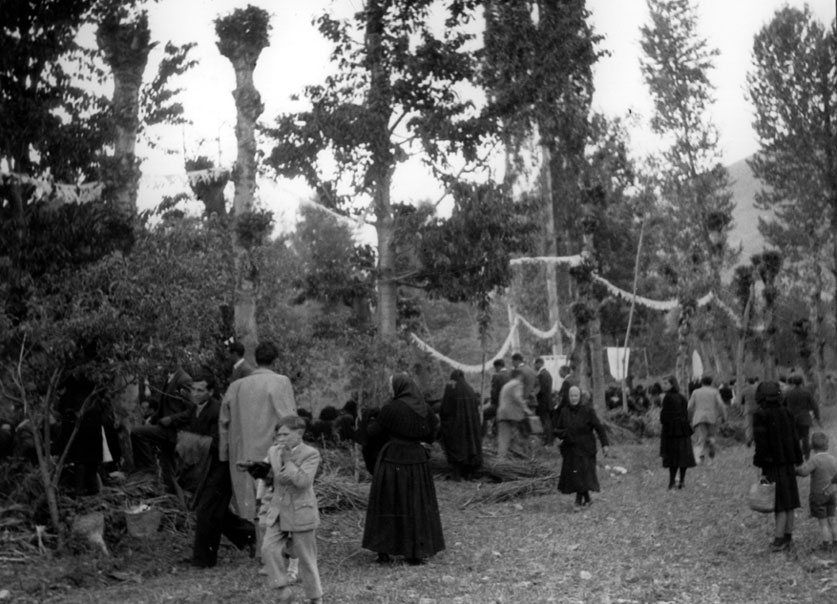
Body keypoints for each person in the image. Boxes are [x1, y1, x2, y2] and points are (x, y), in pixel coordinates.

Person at [362, 373, 444, 564]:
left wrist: (369, 418)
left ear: (398, 387)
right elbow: (432, 434)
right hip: (418, 461)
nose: (390, 390)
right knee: (416, 505)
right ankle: (415, 553)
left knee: (388, 503)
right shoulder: (425, 409)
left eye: (391, 386)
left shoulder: (391, 408)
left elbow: (373, 433)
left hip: (394, 459)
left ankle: (385, 551)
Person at [177, 370, 254, 568]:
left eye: (200, 390)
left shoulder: (218, 410)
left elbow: (219, 442)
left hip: (221, 468)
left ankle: (203, 561)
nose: (195, 393)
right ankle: (251, 537)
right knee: (218, 513)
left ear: (210, 391)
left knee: (205, 511)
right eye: (193, 389)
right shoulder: (196, 409)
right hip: (206, 469)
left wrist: (188, 440)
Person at [242, 415, 322, 603]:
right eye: (278, 435)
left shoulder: (311, 453)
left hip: (301, 512)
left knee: (306, 559)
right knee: (268, 549)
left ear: (299, 434)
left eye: (286, 434)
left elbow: (303, 482)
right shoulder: (273, 451)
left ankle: (315, 598)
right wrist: (254, 468)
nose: (281, 439)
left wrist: (289, 461)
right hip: (278, 511)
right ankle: (282, 589)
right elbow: (272, 478)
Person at [219, 342, 297, 528]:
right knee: (272, 502)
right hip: (271, 452)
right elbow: (289, 419)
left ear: (255, 359)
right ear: (274, 360)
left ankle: (257, 543)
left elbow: (223, 422)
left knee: (249, 504)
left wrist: (224, 454)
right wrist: (294, 450)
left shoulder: (236, 386)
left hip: (241, 453)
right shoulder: (280, 382)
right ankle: (267, 547)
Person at [753, 380, 803, 552]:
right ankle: (788, 537)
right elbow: (795, 438)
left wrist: (761, 464)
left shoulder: (761, 414)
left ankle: (779, 539)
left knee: (779, 503)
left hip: (773, 463)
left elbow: (761, 444)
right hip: (788, 462)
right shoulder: (787, 412)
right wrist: (798, 458)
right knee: (789, 502)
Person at [131, 363, 193, 494]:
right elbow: (162, 407)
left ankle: (148, 469)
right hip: (165, 430)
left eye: (170, 359)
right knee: (169, 472)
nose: (166, 362)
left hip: (173, 431)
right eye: (165, 359)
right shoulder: (169, 378)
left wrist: (171, 419)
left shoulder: (184, 379)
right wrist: (152, 419)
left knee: (137, 432)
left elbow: (191, 411)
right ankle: (178, 504)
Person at [555, 386, 609, 507]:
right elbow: (558, 429)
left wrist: (605, 444)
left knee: (581, 474)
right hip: (571, 448)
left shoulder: (588, 411)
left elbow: (599, 428)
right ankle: (587, 499)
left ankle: (578, 501)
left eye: (576, 396)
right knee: (576, 475)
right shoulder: (564, 411)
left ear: (580, 397)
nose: (573, 398)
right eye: (571, 396)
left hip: (586, 447)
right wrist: (563, 433)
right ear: (568, 397)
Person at [795, 432, 837, 552]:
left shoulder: (815, 460)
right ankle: (835, 542)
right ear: (827, 445)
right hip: (832, 494)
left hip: (818, 495)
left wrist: (795, 470)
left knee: (823, 522)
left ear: (812, 447)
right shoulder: (833, 459)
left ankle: (826, 544)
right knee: (832, 519)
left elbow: (804, 472)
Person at [439, 370, 483, 480]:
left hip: (456, 426)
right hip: (470, 429)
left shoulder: (451, 387)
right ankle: (468, 473)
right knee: (468, 447)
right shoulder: (469, 389)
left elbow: (445, 408)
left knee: (456, 447)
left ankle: (456, 473)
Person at [659, 375, 696, 489]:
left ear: (672, 384)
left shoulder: (667, 397)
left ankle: (672, 482)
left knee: (672, 456)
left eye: (666, 383)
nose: (663, 385)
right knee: (683, 456)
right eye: (663, 383)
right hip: (683, 429)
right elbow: (687, 413)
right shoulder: (682, 397)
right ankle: (682, 481)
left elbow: (664, 416)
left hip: (671, 430)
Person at [687, 375, 727, 463]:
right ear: (711, 383)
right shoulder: (715, 392)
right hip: (712, 417)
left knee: (701, 436)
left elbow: (689, 407)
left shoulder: (695, 392)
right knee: (711, 435)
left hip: (699, 417)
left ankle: (700, 455)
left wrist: (688, 417)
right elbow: (721, 404)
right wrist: (724, 416)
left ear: (701, 383)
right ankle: (711, 442)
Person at [496, 369, 535, 460]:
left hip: (502, 414)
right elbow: (518, 397)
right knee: (524, 435)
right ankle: (528, 458)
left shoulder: (506, 385)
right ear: (519, 376)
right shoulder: (517, 384)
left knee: (503, 439)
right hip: (514, 415)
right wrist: (527, 410)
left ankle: (500, 460)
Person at [784, 374, 821, 460]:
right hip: (804, 417)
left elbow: (783, 405)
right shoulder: (806, 392)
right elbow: (815, 405)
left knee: (794, 436)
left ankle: (796, 454)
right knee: (805, 436)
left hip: (792, 418)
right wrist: (817, 417)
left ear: (792, 383)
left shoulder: (788, 393)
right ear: (801, 382)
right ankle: (807, 454)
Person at [534, 357, 555, 445]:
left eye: (535, 364)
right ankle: (549, 440)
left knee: (545, 421)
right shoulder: (548, 374)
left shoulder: (541, 375)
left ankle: (548, 440)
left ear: (539, 364)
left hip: (543, 402)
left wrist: (534, 394)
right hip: (548, 401)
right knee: (547, 421)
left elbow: (541, 390)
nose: (534, 366)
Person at [737, 377, 760, 446]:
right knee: (758, 424)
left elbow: (742, 402)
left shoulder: (744, 390)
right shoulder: (758, 389)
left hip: (748, 409)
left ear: (747, 382)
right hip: (758, 409)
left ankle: (749, 439)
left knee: (749, 425)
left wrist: (741, 410)